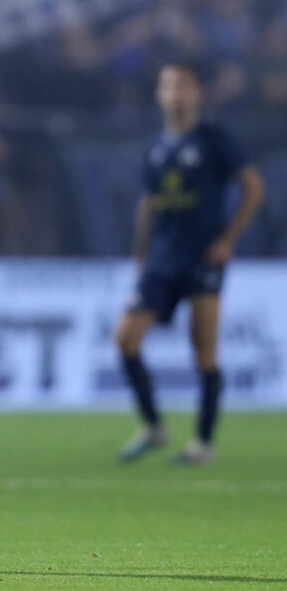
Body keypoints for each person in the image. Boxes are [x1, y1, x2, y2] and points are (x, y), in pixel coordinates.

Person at [114, 62, 264, 465]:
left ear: (196, 93)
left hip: (202, 259)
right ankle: (153, 426)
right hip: (161, 261)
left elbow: (253, 189)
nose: (176, 93)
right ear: (160, 95)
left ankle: (202, 444)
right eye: (168, 86)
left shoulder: (215, 140)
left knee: (204, 354)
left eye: (183, 85)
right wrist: (141, 258)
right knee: (125, 339)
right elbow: (148, 203)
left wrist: (228, 239)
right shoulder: (154, 148)